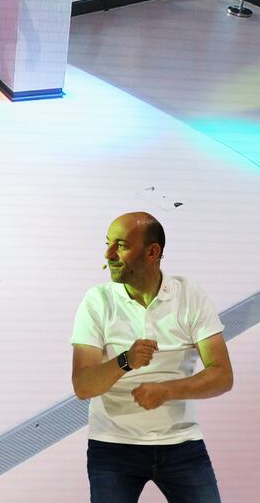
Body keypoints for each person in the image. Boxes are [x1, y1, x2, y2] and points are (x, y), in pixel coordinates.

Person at [71, 212, 233, 503]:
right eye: (108, 244)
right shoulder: (97, 301)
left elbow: (222, 374)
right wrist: (125, 360)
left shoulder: (189, 295)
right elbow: (83, 386)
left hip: (181, 444)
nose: (108, 254)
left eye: (120, 245)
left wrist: (167, 390)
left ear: (152, 252)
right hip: (113, 446)